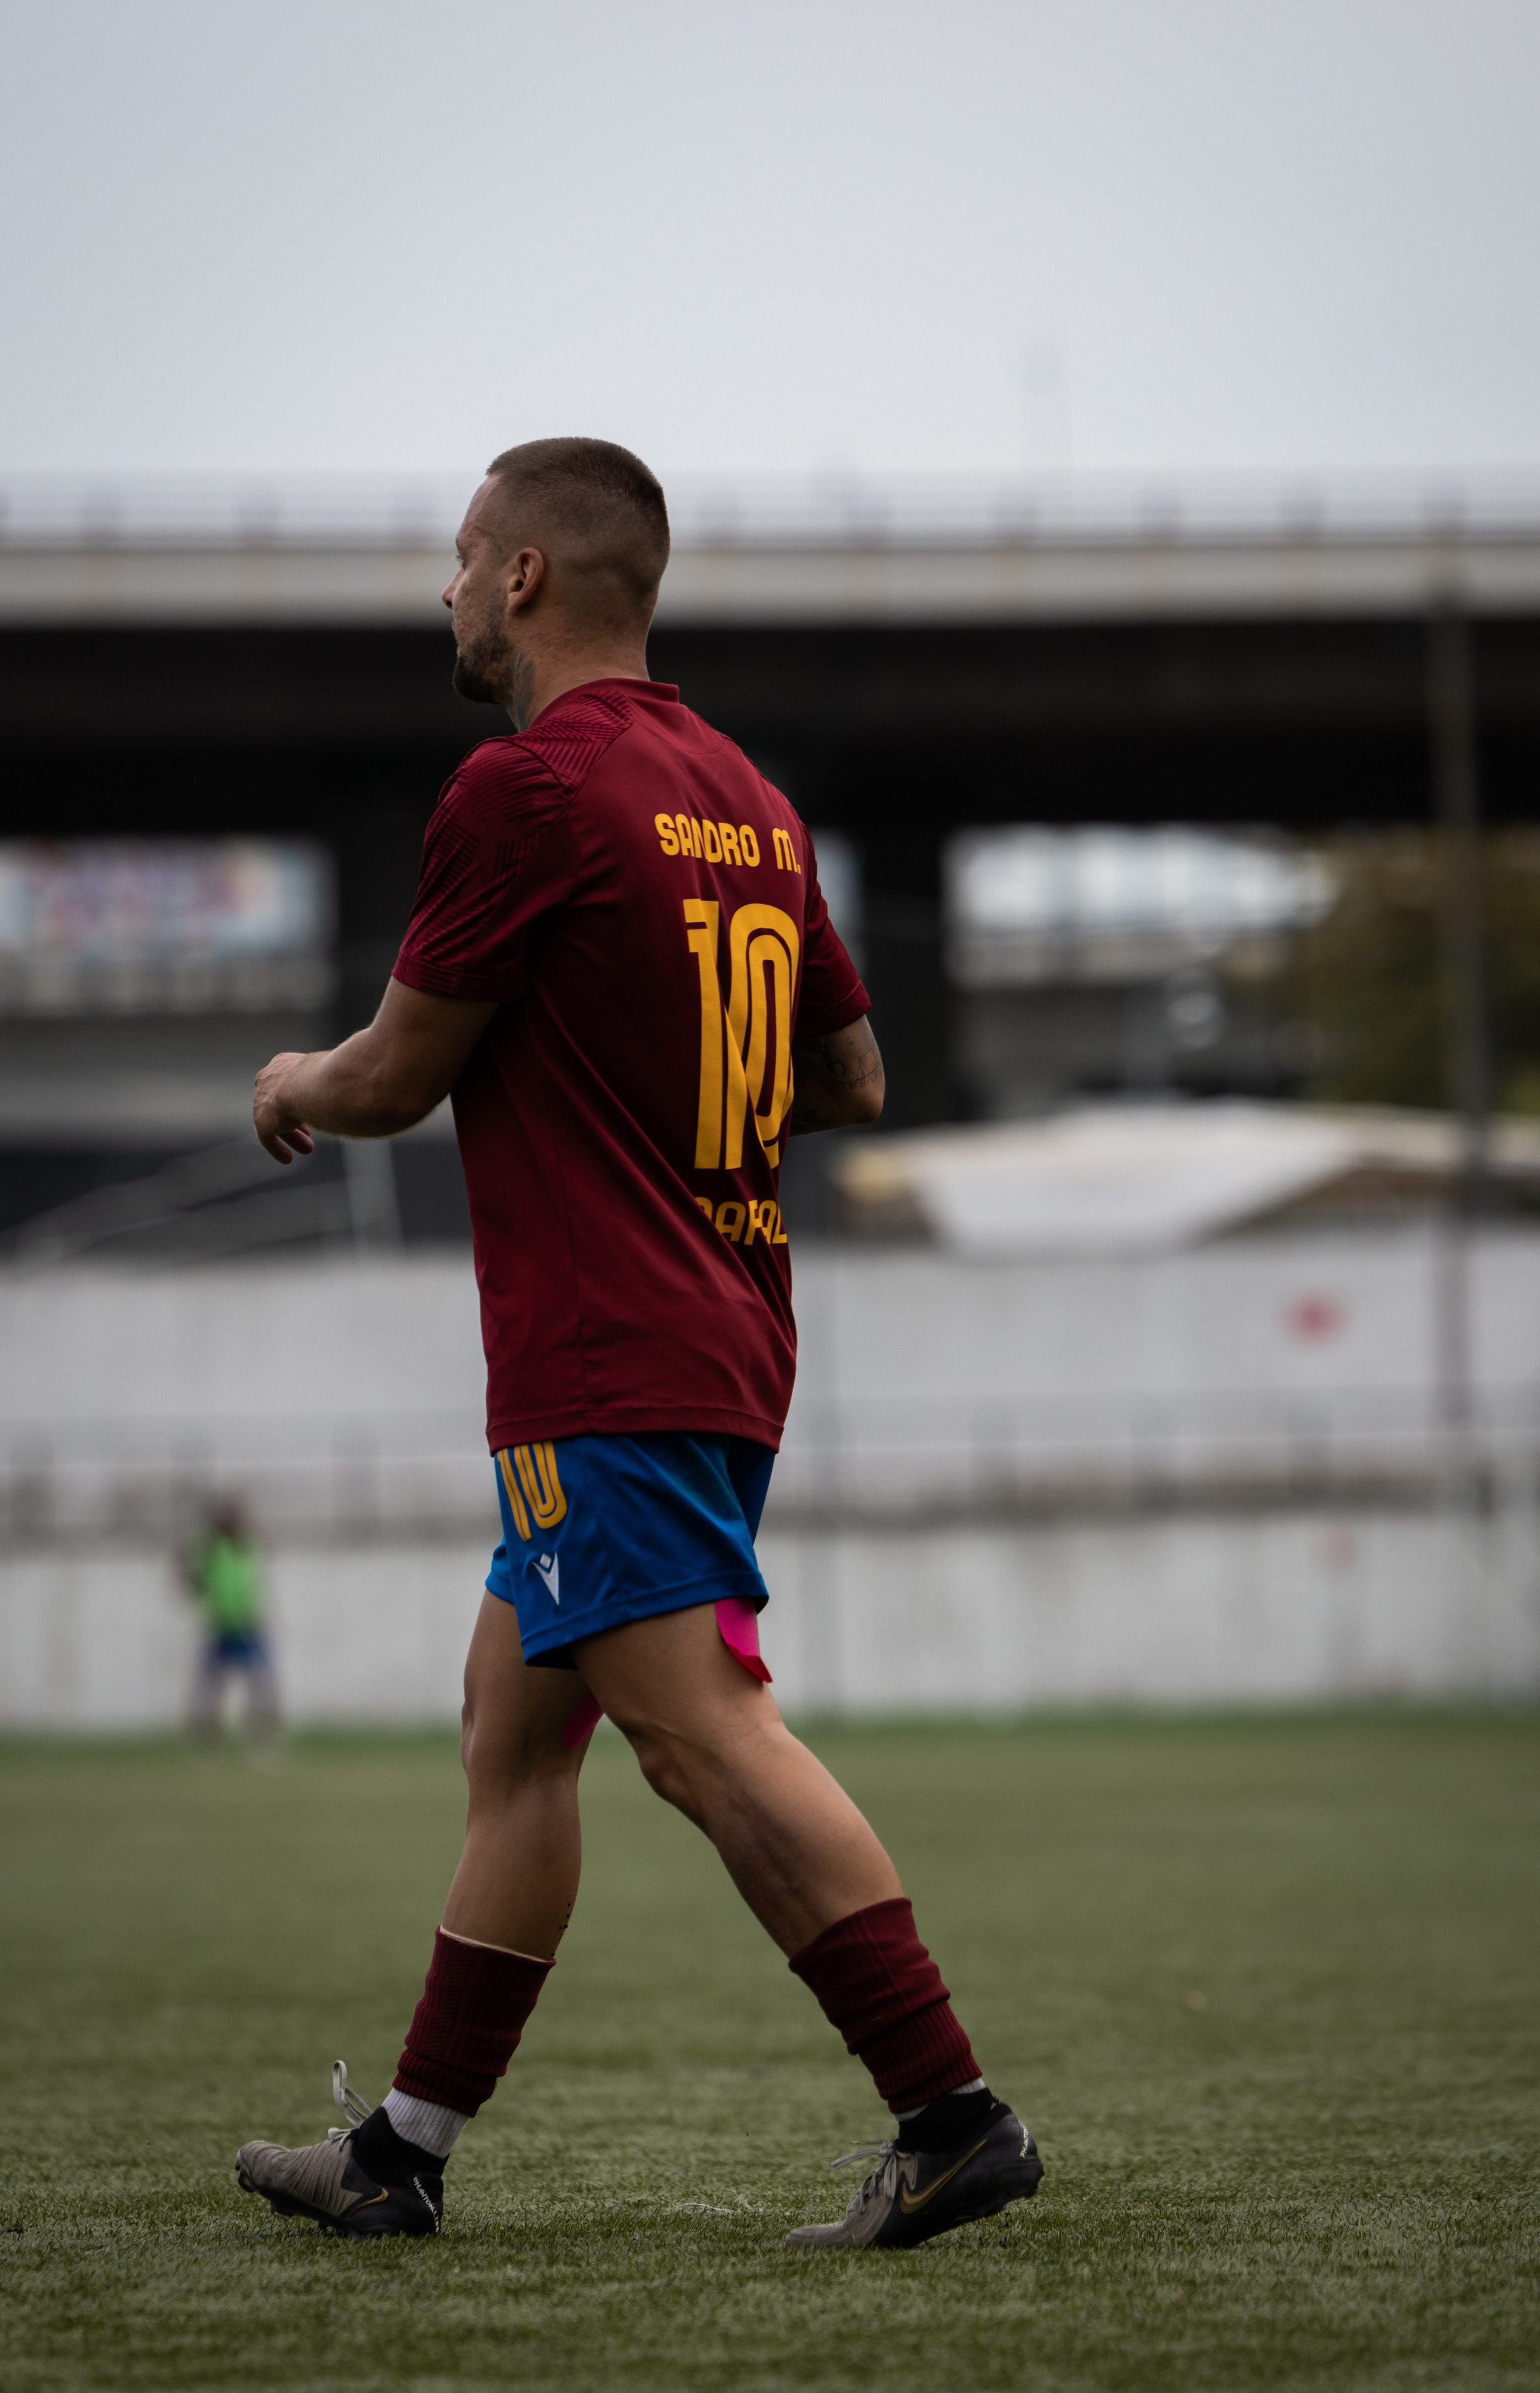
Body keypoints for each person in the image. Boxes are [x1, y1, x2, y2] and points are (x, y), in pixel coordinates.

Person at [234, 438, 1042, 2251]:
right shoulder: (746, 799)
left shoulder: (522, 789)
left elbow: (392, 1073)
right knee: (512, 1732)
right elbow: (848, 1076)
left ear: (525, 575)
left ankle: (951, 2116)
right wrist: (668, 1090)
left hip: (606, 1352)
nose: (448, 589)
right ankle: (401, 2152)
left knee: (700, 1735)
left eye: (462, 556)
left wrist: (292, 1080)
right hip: (725, 1323)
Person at [181, 1498, 280, 1741]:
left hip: (248, 1624)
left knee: (260, 1682)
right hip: (220, 1626)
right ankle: (207, 1734)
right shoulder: (211, 1551)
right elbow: (195, 1581)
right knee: (210, 1684)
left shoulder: (247, 1546)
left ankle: (262, 1731)